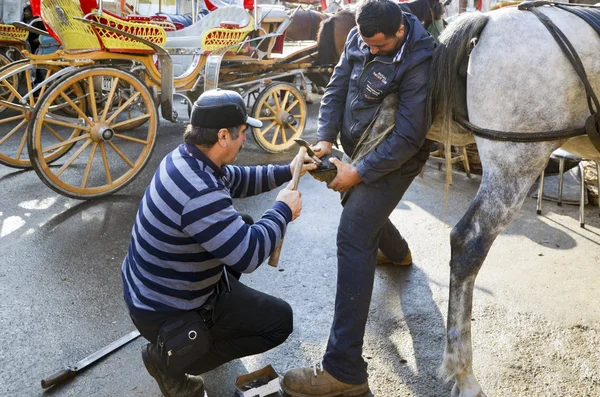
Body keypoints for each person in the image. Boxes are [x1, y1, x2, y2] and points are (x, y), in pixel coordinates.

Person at [282, 0, 435, 395]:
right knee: (361, 211)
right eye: (365, 44)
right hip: (359, 147)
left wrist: (359, 173)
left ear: (400, 32)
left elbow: (409, 136)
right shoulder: (359, 35)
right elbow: (335, 88)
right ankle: (396, 252)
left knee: (353, 233)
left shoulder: (421, 58)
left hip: (394, 158)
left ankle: (344, 371)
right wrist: (324, 139)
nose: (369, 51)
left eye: (378, 47)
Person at [121, 89, 316, 397]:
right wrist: (283, 210)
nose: (245, 140)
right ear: (223, 135)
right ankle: (172, 358)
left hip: (152, 291)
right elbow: (248, 255)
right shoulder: (199, 191)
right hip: (165, 312)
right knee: (280, 321)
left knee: (245, 225)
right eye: (242, 134)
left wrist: (289, 170)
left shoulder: (188, 159)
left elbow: (237, 179)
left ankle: (211, 331)